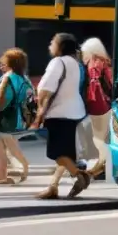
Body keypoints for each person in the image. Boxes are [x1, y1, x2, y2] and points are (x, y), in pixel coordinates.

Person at [34, 33, 90, 200]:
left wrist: (40, 110)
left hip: (59, 113)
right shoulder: (76, 63)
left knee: (57, 153)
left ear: (60, 46)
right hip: (75, 112)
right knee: (64, 153)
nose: (50, 45)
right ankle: (54, 186)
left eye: (53, 42)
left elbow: (45, 88)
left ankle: (80, 175)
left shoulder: (58, 62)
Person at [0, 49, 33, 184]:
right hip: (17, 118)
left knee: (3, 146)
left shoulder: (8, 78)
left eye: (4, 61)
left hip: (4, 118)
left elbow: (1, 101)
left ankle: (24, 167)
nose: (2, 63)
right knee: (1, 144)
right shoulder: (24, 78)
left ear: (11, 63)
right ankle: (1, 175)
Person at [81, 37, 113, 180]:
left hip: (98, 105)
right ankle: (101, 167)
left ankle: (101, 168)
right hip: (105, 103)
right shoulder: (104, 61)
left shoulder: (94, 62)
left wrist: (92, 99)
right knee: (102, 137)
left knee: (98, 138)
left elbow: (94, 85)